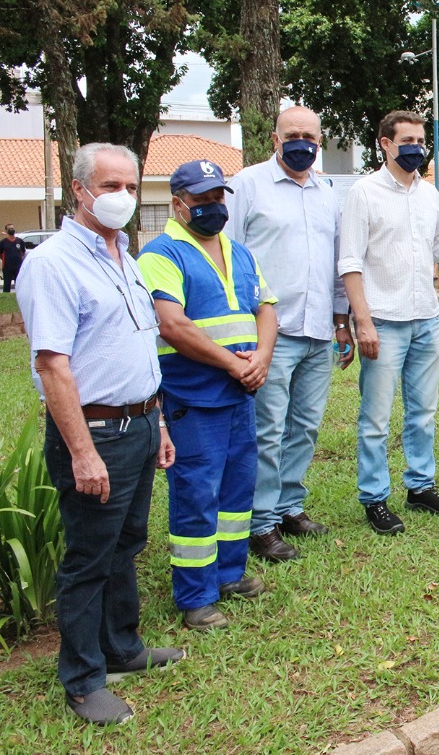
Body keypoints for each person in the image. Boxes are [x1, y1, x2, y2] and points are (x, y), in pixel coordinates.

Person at [16, 143, 180, 725]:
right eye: (111, 187)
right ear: (79, 190)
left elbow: (136, 348)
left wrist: (158, 423)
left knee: (126, 544)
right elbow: (52, 367)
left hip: (140, 423)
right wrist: (83, 454)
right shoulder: (53, 263)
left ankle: (121, 648)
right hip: (96, 433)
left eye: (132, 187)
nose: (124, 198)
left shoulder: (124, 257)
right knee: (89, 557)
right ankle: (84, 680)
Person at [138, 160, 278, 631]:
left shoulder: (239, 252)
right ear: (178, 204)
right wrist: (235, 364)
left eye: (218, 197)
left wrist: (261, 357)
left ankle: (229, 573)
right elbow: (172, 325)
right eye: (202, 200)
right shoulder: (161, 254)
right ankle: (195, 595)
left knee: (237, 489)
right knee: (197, 494)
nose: (213, 206)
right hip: (194, 396)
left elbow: (266, 308)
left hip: (240, 394)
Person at [226, 106, 353, 563]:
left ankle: (288, 506)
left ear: (320, 141)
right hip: (270, 335)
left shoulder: (327, 193)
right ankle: (261, 524)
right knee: (268, 430)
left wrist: (342, 321)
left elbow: (336, 264)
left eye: (309, 136)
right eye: (292, 134)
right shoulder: (247, 185)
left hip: (318, 330)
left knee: (305, 427)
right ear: (275, 139)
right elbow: (229, 254)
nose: (302, 142)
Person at [339, 110, 439, 535]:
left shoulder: (429, 194)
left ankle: (420, 486)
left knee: (423, 413)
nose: (417, 148)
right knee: (376, 419)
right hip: (384, 321)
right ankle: (375, 498)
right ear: (385, 143)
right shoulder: (364, 193)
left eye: (421, 141)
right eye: (408, 141)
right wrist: (363, 323)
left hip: (426, 321)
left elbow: (438, 249)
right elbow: (350, 262)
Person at [1, 225, 24, 292]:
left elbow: (23, 252)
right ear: (6, 231)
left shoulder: (20, 241)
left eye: (12, 228)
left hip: (18, 266)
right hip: (7, 267)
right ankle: (6, 297)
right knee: (7, 284)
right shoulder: (3, 242)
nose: (11, 229)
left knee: (19, 284)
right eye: (9, 228)